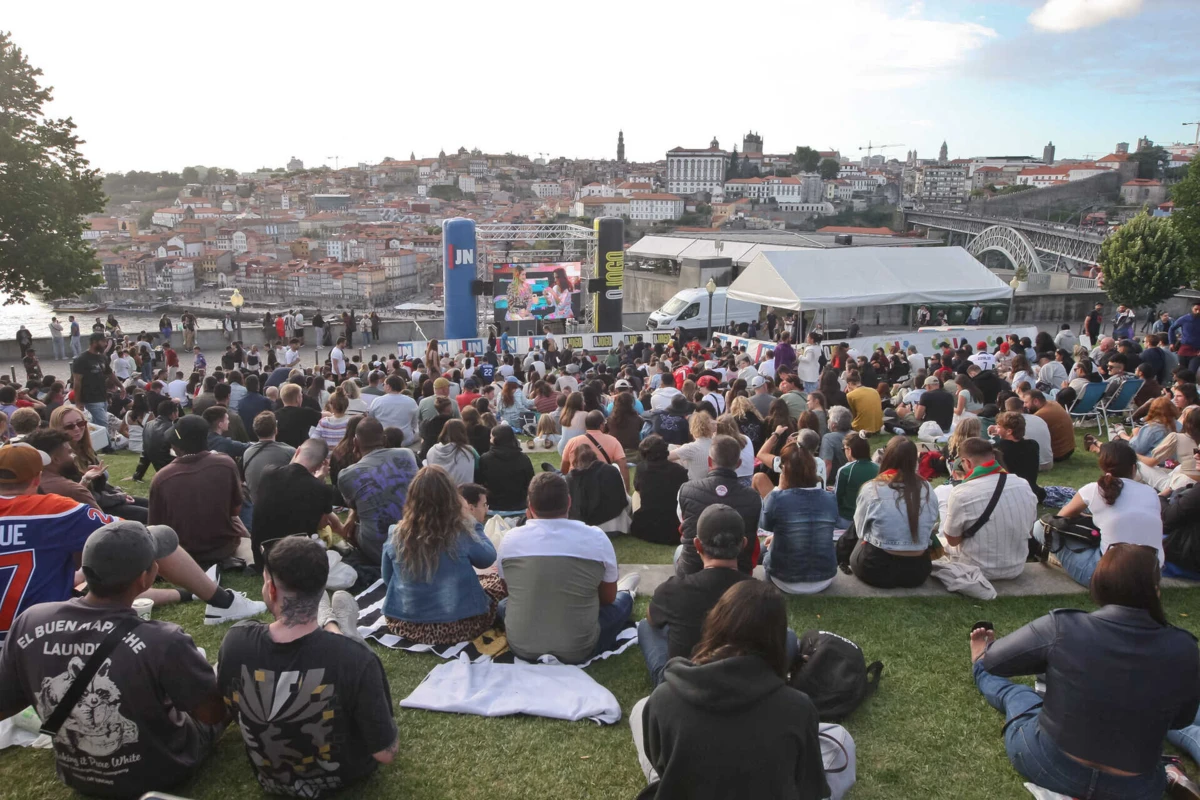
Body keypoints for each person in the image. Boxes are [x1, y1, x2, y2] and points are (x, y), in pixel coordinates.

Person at [0, 520, 231, 798]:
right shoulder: (163, 640)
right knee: (226, 672)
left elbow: (6, 703)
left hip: (79, 776)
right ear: (145, 578)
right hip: (163, 771)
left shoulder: (30, 621)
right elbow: (212, 714)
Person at [970, 544, 1200, 800]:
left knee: (1019, 695)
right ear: (1156, 590)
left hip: (1050, 764)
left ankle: (976, 663)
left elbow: (996, 661)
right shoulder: (1185, 647)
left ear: (1098, 585)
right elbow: (1182, 720)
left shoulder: (1063, 626)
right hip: (1136, 788)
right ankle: (1169, 772)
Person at [219, 536, 398, 796]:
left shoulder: (236, 643)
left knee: (348, 656)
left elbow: (228, 708)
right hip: (346, 777)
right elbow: (385, 753)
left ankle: (334, 627)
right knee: (354, 657)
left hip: (272, 780)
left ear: (271, 589)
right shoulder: (356, 660)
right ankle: (337, 629)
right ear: (321, 586)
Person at [630, 580, 827, 800]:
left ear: (715, 622)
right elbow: (808, 788)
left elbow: (660, 760)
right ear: (778, 637)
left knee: (640, 708)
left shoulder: (663, 698)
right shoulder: (799, 708)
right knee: (840, 738)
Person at [497, 472, 639, 664]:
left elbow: (509, 590)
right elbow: (608, 599)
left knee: (504, 605)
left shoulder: (510, 540)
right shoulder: (596, 537)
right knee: (622, 601)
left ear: (530, 506)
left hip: (521, 646)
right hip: (579, 648)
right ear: (569, 502)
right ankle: (628, 593)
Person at [382, 466, 507, 644]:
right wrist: (472, 522)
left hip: (405, 623)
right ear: (452, 498)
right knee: (498, 582)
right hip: (461, 624)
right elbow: (487, 558)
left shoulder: (396, 533)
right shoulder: (461, 532)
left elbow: (388, 579)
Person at [638, 504, 750, 687]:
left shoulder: (672, 589)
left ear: (697, 545)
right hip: (745, 684)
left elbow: (652, 620)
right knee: (789, 636)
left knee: (645, 626)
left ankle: (665, 679)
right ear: (743, 544)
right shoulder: (761, 593)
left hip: (682, 685)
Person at [1035, 440, 1164, 587]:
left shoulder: (1093, 490)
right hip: (1152, 575)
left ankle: (1062, 558)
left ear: (1102, 468)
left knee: (1040, 527)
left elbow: (1058, 520)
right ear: (1134, 468)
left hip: (1109, 577)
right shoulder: (1151, 492)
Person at [149, 415, 253, 569]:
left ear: (177, 445)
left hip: (182, 551)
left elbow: (156, 526)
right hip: (224, 546)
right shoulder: (226, 464)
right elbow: (235, 510)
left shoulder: (162, 478)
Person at [848, 437, 939, 588]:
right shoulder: (927, 487)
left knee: (857, 527)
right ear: (914, 460)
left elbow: (860, 532)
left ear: (887, 457)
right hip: (918, 572)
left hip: (876, 568)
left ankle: (839, 557)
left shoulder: (872, 488)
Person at [942, 437, 1037, 581]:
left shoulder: (961, 493)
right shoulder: (1023, 484)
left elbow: (953, 540)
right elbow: (1029, 529)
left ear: (967, 462)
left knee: (940, 542)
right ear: (993, 457)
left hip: (975, 570)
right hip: (1016, 567)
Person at [249, 439, 343, 569]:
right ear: (321, 464)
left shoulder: (268, 472)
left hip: (263, 558)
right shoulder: (322, 489)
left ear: (297, 451)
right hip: (298, 561)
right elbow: (322, 525)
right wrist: (320, 478)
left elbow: (292, 477)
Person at [337, 417, 419, 566]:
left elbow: (355, 507)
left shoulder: (346, 475)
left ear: (355, 442)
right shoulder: (407, 454)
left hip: (379, 549)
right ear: (384, 439)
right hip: (417, 537)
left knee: (353, 526)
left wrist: (351, 517)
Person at [676, 435, 762, 577]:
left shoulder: (686, 490)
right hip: (739, 573)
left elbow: (684, 525)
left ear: (709, 461)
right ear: (739, 463)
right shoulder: (754, 498)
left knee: (680, 551)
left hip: (694, 569)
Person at [761, 442, 839, 593]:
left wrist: (778, 489)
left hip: (784, 579)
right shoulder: (830, 498)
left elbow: (765, 525)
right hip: (825, 577)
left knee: (763, 547)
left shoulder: (777, 498)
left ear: (784, 470)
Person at [629, 435, 690, 546]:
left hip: (646, 528)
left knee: (635, 494)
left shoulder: (641, 468)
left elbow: (638, 489)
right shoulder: (679, 471)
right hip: (674, 529)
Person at [474, 425, 533, 511]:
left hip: (494, 504)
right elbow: (531, 482)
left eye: (491, 437)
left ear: (495, 439)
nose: (489, 440)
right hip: (519, 503)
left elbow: (479, 482)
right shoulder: (524, 458)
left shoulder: (485, 459)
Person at [242, 412, 297, 503]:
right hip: (282, 505)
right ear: (276, 430)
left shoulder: (247, 453)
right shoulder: (290, 452)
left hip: (255, 506)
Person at [990, 412, 1045, 503]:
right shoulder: (1033, 445)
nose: (996, 429)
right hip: (1031, 490)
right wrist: (1001, 433)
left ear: (1009, 431)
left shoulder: (998, 449)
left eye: (998, 427)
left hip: (1010, 493)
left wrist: (999, 436)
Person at [833, 431, 878, 529]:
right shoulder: (878, 468)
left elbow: (836, 498)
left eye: (844, 449)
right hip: (872, 518)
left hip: (848, 519)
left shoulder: (845, 470)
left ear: (849, 450)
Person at [71, 332, 112, 426]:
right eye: (103, 341)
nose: (106, 344)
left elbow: (109, 373)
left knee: (96, 424)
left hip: (102, 397)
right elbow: (77, 382)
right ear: (94, 342)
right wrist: (78, 402)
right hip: (91, 399)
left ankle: (92, 435)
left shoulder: (102, 357)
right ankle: (105, 437)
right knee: (103, 424)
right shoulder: (81, 359)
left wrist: (121, 386)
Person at [369, 375, 419, 447]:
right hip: (405, 440)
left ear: (388, 386)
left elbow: (371, 419)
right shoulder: (411, 401)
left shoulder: (377, 401)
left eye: (384, 384)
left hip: (382, 439)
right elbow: (415, 422)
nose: (383, 386)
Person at [424, 419, 477, 486]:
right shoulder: (469, 451)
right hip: (463, 490)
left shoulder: (432, 451)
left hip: (438, 490)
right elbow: (478, 467)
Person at [275, 383, 322, 448]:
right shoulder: (306, 413)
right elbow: (325, 418)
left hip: (281, 450)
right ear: (298, 398)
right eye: (301, 396)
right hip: (301, 450)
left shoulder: (275, 415)